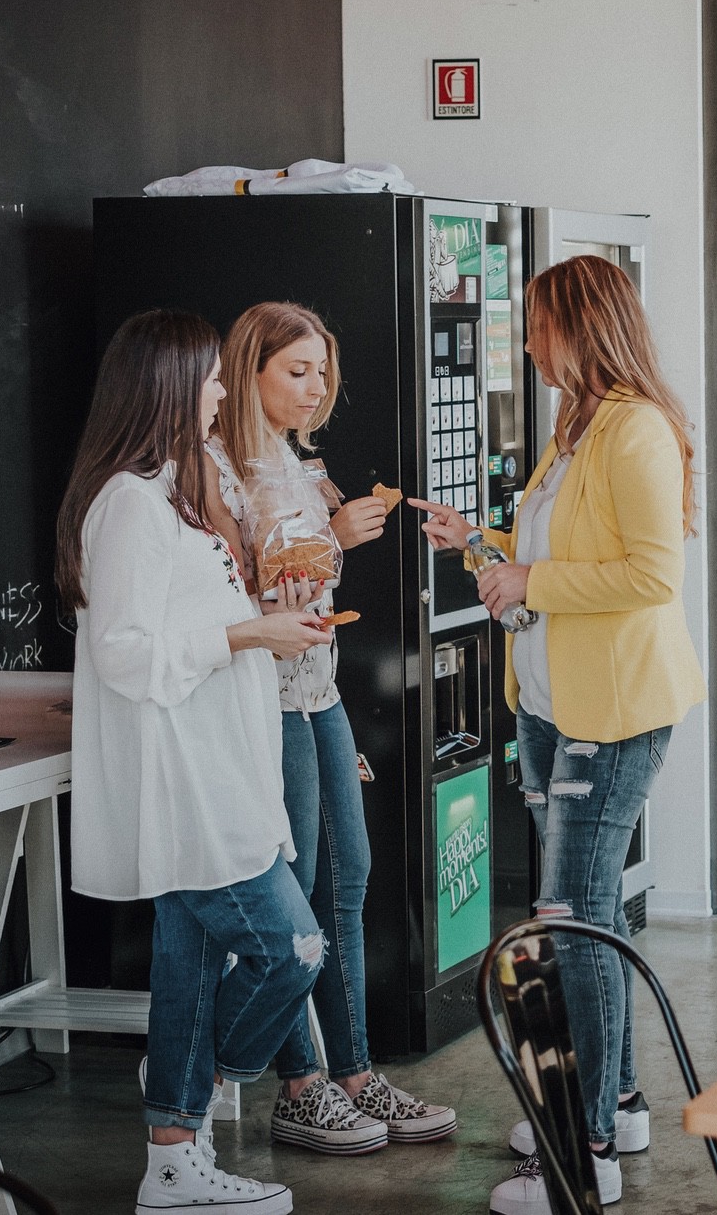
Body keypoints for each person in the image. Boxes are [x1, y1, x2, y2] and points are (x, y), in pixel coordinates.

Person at [411, 255, 704, 1212]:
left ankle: (580, 1158)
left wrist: (529, 582)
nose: (527, 342)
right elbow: (553, 557)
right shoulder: (577, 426)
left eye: (537, 325)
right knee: (591, 917)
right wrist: (480, 544)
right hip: (550, 706)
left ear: (580, 326)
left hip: (610, 714)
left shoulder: (636, 431)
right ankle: (614, 1105)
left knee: (571, 922)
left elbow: (652, 574)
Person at [58, 309, 330, 1215]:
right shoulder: (130, 503)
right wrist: (252, 628)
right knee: (293, 949)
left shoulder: (175, 489)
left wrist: (268, 608)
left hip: (220, 766)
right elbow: (126, 652)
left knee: (192, 962)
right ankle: (192, 1092)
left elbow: (189, 621)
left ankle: (172, 1158)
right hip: (189, 783)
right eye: (212, 378)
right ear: (171, 385)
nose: (223, 390)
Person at [206, 301, 457, 1155]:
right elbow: (249, 596)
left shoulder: (294, 458)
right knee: (294, 898)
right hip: (260, 702)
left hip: (318, 694)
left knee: (347, 877)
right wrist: (335, 533)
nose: (316, 389)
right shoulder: (221, 468)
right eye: (297, 371)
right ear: (251, 371)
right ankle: (299, 1084)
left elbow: (306, 600)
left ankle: (354, 1073)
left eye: (322, 371)